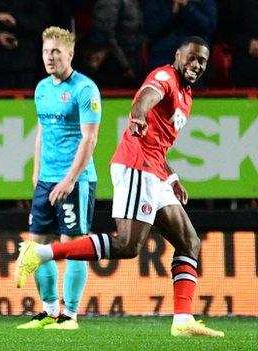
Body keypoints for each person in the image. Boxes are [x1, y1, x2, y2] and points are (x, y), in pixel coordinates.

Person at [15, 36, 225, 337]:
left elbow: (159, 143)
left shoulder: (186, 94)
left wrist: (172, 177)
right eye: (191, 58)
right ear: (178, 55)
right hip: (136, 165)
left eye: (202, 61)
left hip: (154, 169)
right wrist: (138, 113)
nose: (196, 65)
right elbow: (146, 97)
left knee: (190, 242)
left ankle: (182, 320)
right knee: (127, 246)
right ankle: (41, 254)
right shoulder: (165, 76)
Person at [15, 27, 100, 331]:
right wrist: (37, 171)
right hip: (47, 180)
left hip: (75, 182)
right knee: (35, 247)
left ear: (70, 54)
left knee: (72, 245)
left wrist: (68, 181)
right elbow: (41, 131)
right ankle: (49, 311)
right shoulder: (41, 88)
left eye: (56, 52)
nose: (50, 58)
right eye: (45, 52)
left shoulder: (85, 89)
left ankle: (70, 315)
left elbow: (89, 140)